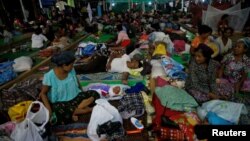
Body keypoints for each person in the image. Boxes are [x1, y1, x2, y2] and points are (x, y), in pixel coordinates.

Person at [40, 51, 100, 124]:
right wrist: (49, 111)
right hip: (62, 103)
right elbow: (43, 94)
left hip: (76, 98)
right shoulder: (49, 76)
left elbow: (76, 81)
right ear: (64, 65)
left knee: (95, 94)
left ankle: (76, 111)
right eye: (71, 65)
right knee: (58, 110)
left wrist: (82, 92)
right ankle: (88, 109)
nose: (72, 66)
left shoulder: (71, 70)